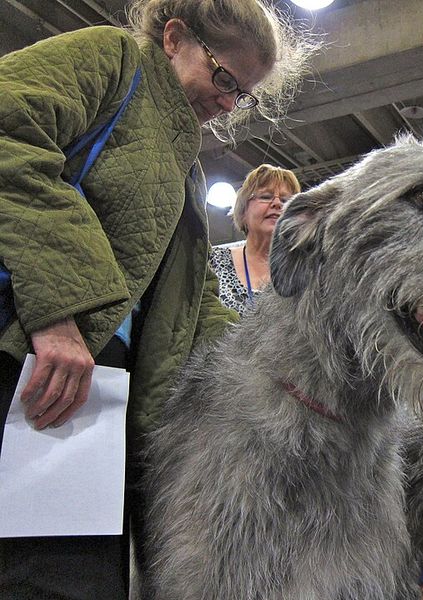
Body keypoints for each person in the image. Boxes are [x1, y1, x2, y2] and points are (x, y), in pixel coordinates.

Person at [0, 1, 313, 598]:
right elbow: (8, 132)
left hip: (94, 387)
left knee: (77, 578)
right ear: (174, 37)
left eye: (241, 96)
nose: (227, 104)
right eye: (224, 79)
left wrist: (278, 376)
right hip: (30, 355)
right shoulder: (110, 59)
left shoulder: (185, 169)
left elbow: (191, 300)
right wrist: (59, 316)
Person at [210, 164, 301, 314]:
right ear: (243, 211)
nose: (277, 203)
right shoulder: (213, 262)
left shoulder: (305, 271)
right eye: (266, 196)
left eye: (286, 200)